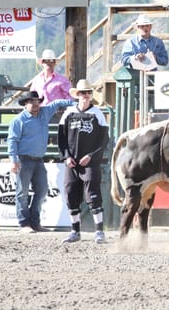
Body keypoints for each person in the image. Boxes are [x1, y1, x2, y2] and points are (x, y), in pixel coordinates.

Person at [7, 91, 74, 233]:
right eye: (32, 101)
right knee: (22, 192)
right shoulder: (18, 120)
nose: (36, 104)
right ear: (26, 104)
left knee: (42, 190)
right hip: (23, 159)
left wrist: (76, 103)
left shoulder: (44, 113)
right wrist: (13, 160)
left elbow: (56, 103)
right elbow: (12, 140)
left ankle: (35, 222)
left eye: (37, 101)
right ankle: (24, 223)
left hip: (38, 160)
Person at [58, 79, 109, 243]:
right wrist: (66, 156)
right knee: (71, 193)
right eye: (82, 93)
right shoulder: (68, 113)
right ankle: (75, 231)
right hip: (72, 162)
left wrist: (91, 156)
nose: (86, 95)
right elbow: (61, 139)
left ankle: (99, 231)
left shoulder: (98, 114)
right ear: (77, 95)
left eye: (88, 92)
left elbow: (104, 141)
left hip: (90, 162)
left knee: (93, 195)